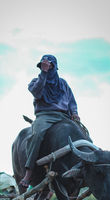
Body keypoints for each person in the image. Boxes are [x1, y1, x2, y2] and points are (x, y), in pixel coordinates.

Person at [20, 54, 80, 188]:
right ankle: (29, 172)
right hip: (45, 116)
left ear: (55, 68)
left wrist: (74, 113)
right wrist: (44, 73)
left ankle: (89, 165)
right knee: (37, 135)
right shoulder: (35, 82)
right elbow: (36, 92)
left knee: (82, 134)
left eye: (49, 66)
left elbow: (71, 101)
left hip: (64, 116)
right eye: (43, 66)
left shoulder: (63, 83)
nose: (46, 69)